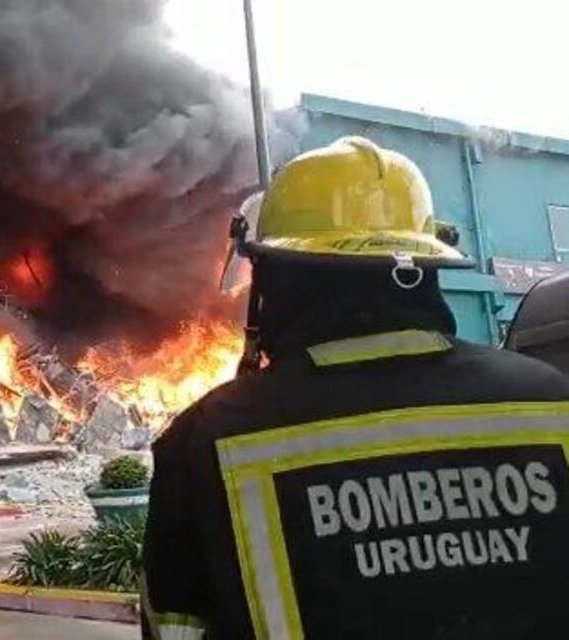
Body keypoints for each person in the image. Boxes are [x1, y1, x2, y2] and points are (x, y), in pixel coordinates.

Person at [141, 137, 569, 640]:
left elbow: (174, 634)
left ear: (275, 278)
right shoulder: (551, 402)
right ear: (425, 265)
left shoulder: (205, 441)